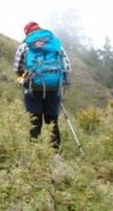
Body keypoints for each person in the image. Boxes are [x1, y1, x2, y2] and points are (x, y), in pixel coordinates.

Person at [13, 21, 70, 150]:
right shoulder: (55, 44)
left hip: (33, 89)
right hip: (54, 89)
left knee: (35, 122)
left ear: (27, 33)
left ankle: (35, 154)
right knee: (52, 123)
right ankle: (55, 155)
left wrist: (26, 74)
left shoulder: (25, 46)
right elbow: (67, 66)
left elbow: (16, 69)